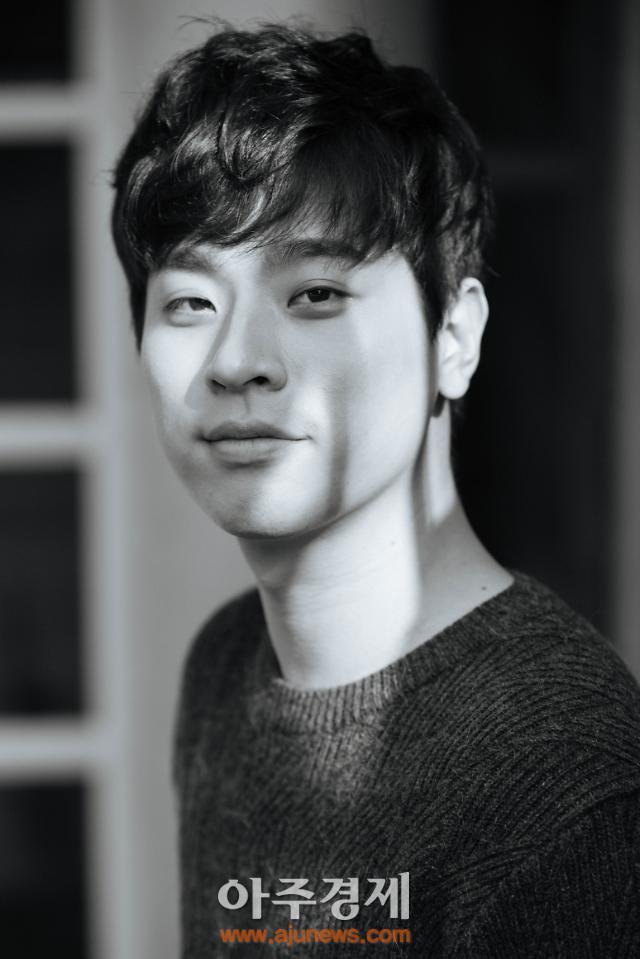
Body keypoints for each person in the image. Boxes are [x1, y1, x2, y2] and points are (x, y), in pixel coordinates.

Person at [111, 22, 640, 957]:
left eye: (315, 293)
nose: (236, 361)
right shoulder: (225, 668)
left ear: (454, 337)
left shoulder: (561, 775)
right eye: (191, 301)